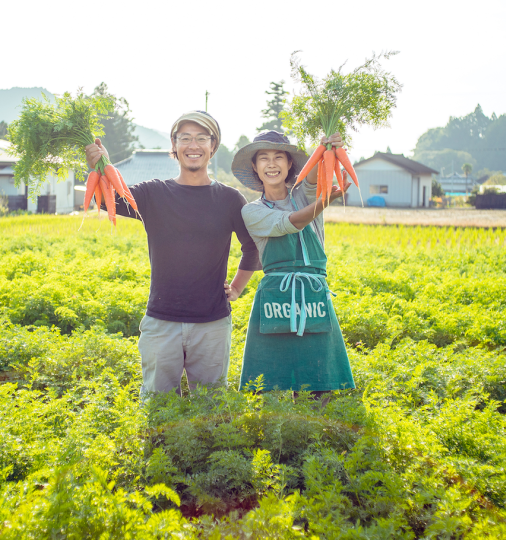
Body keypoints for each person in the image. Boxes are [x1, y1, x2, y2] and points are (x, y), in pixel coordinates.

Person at [84, 110, 261, 397]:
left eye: (202, 138)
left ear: (213, 146)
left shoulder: (229, 198)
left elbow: (252, 247)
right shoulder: (154, 194)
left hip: (212, 323)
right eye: (185, 138)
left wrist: (237, 288)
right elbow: (108, 201)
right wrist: (99, 166)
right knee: (157, 405)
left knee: (212, 405)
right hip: (161, 321)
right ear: (174, 145)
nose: (194, 145)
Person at [231, 130, 355, 394]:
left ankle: (314, 431)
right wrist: (325, 201)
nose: (272, 164)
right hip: (276, 295)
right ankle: (275, 431)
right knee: (270, 382)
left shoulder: (304, 195)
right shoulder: (252, 211)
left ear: (289, 165)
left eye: (279, 157)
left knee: (319, 379)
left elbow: (313, 177)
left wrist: (327, 149)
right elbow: (291, 223)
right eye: (263, 158)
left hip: (313, 294)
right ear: (255, 167)